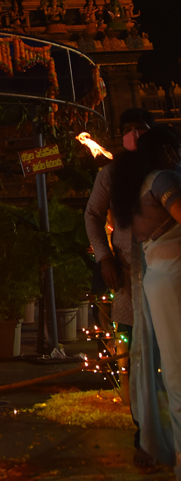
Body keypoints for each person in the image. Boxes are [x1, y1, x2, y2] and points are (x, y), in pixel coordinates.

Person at [110, 126, 181, 481]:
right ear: (169, 149)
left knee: (174, 375)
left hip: (158, 277)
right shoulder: (164, 179)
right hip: (175, 277)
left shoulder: (136, 187)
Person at [85, 108, 155, 331]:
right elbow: (93, 215)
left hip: (167, 267)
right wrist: (104, 258)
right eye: (127, 130)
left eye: (140, 128)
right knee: (133, 341)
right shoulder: (111, 174)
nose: (134, 134)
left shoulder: (166, 169)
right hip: (126, 271)